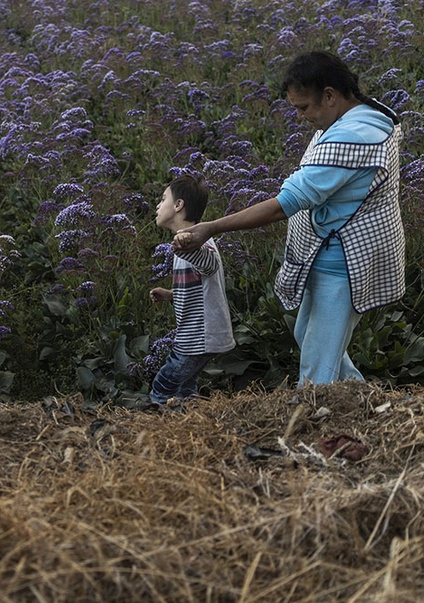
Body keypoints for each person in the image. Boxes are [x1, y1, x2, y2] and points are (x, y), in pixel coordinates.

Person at [174, 50, 405, 386]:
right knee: (307, 335)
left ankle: (313, 422)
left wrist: (211, 228)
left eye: (303, 108)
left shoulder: (352, 136)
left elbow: (285, 205)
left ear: (329, 95)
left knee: (317, 363)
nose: (300, 117)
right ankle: (362, 399)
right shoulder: (362, 115)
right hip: (327, 254)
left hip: (343, 261)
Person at [146, 174, 235, 408]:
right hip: (197, 336)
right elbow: (202, 288)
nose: (158, 205)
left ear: (178, 205)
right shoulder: (185, 243)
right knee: (186, 389)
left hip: (199, 338)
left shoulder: (197, 242)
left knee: (163, 386)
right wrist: (170, 294)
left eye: (162, 199)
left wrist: (186, 245)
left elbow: (210, 264)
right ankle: (190, 423)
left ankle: (158, 428)